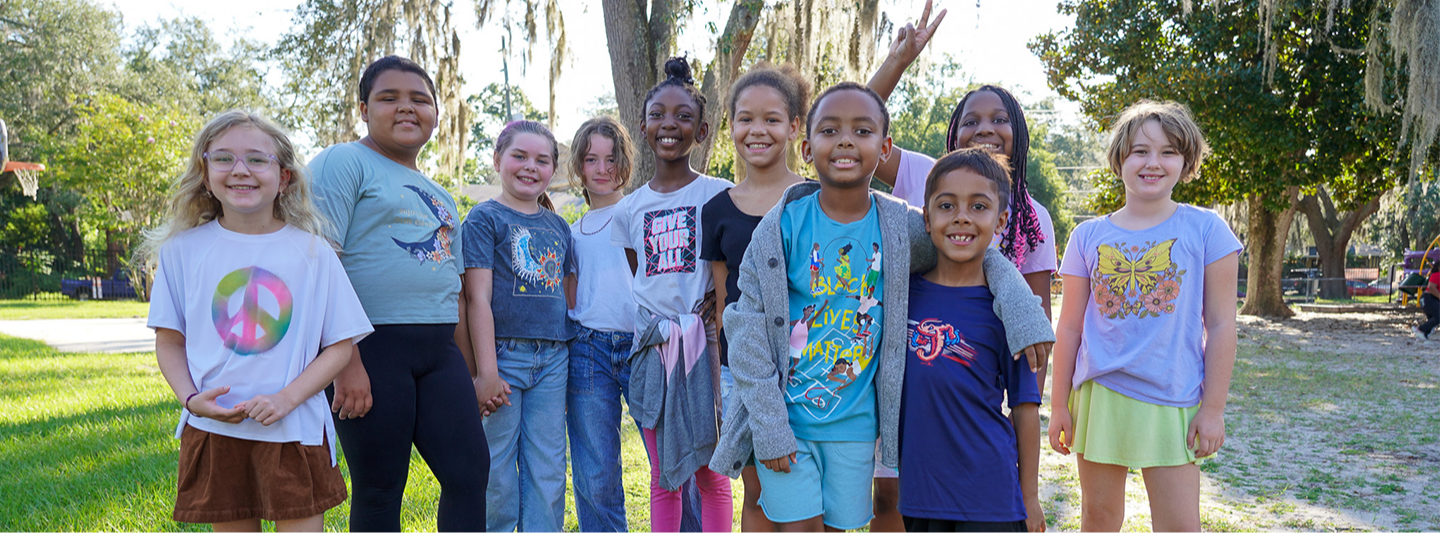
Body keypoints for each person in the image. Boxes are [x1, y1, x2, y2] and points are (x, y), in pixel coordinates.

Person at [710, 82, 1054, 533]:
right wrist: (770, 424)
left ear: (885, 146)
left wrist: (1022, 308)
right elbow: (746, 325)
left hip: (855, 425)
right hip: (787, 419)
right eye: (830, 130)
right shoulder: (780, 229)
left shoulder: (901, 226)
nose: (847, 140)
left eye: (862, 130)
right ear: (808, 146)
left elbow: (970, 248)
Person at [145, 110, 374, 532]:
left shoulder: (313, 253)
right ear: (205, 171)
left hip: (294, 429)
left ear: (284, 177)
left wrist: (287, 399)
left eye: (256, 159)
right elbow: (169, 340)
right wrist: (192, 400)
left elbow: (340, 344)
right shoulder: (182, 251)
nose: (240, 171)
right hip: (215, 428)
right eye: (224, 159)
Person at [310, 55, 489, 532]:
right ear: (364, 109)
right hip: (370, 348)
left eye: (420, 99)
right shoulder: (343, 161)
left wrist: (469, 373)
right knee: (380, 488)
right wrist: (345, 360)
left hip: (439, 354)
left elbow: (453, 291)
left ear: (436, 113)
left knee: (470, 474)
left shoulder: (439, 192)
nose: (406, 108)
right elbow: (319, 262)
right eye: (389, 98)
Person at [1048, 101, 1241, 532]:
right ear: (1119, 159)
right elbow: (1071, 326)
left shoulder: (1208, 230)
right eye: (1139, 151)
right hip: (1101, 395)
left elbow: (1223, 324)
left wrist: (1213, 410)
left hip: (1173, 398)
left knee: (1179, 525)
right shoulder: (1088, 236)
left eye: (1168, 151)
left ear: (1186, 162)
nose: (1153, 162)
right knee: (1099, 519)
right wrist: (1059, 403)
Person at [612, 56, 734, 533]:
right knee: (664, 477)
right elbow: (639, 271)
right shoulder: (630, 209)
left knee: (711, 472)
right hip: (654, 348)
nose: (670, 124)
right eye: (659, 114)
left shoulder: (719, 195)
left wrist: (712, 306)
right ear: (642, 126)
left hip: (705, 345)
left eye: (684, 116)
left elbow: (727, 266)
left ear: (701, 131)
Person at [900, 148, 1046, 533]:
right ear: (926, 218)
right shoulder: (900, 295)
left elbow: (1026, 408)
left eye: (978, 206)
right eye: (947, 205)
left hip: (990, 498)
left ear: (1000, 221)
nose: (962, 216)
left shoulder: (1007, 310)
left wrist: (1029, 496)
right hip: (920, 494)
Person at [698, 61, 811, 533]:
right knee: (758, 488)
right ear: (730, 126)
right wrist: (727, 373)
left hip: (811, 363)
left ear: (794, 127)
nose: (757, 130)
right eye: (745, 118)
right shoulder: (716, 210)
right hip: (744, 369)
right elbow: (725, 301)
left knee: (810, 489)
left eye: (771, 118)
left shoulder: (814, 197)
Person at [462, 120, 576, 533]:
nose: (530, 167)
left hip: (553, 359)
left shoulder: (559, 226)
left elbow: (565, 294)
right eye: (519, 156)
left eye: (542, 160)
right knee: (496, 468)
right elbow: (477, 298)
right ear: (497, 160)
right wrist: (485, 371)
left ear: (553, 169)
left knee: (548, 466)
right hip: (504, 356)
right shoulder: (484, 218)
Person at [564, 116, 641, 533]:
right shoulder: (571, 232)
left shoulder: (640, 211)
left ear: (625, 163)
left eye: (611, 159)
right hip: (587, 349)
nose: (602, 169)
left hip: (645, 344)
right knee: (595, 470)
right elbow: (571, 295)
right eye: (591, 159)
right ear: (578, 166)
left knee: (669, 460)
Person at [1413, 263, 1440, 339]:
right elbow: (1431, 287)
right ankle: (1420, 329)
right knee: (1438, 317)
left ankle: (1423, 335)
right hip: (1428, 299)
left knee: (1433, 319)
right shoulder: (1437, 274)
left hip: (1430, 299)